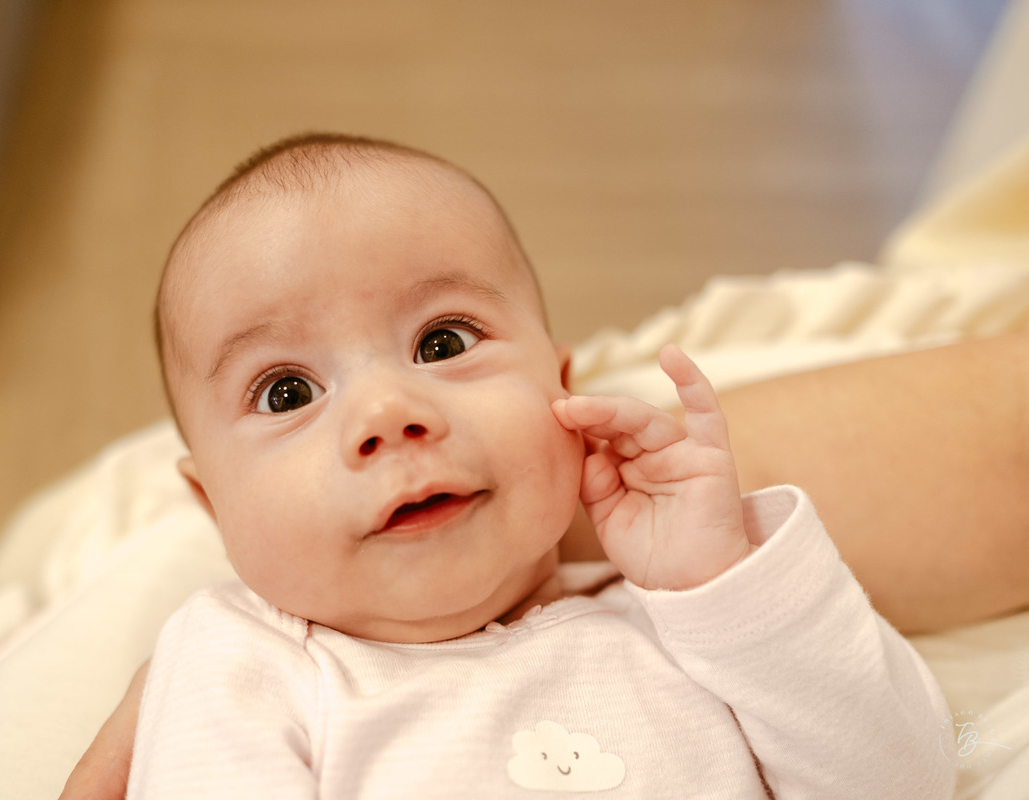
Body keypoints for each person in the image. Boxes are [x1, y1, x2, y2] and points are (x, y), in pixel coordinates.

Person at [96, 133, 954, 798]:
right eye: (287, 393)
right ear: (212, 504)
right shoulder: (243, 663)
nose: (388, 416)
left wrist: (724, 586)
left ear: (566, 397)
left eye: (442, 342)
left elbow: (901, 780)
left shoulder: (687, 622)